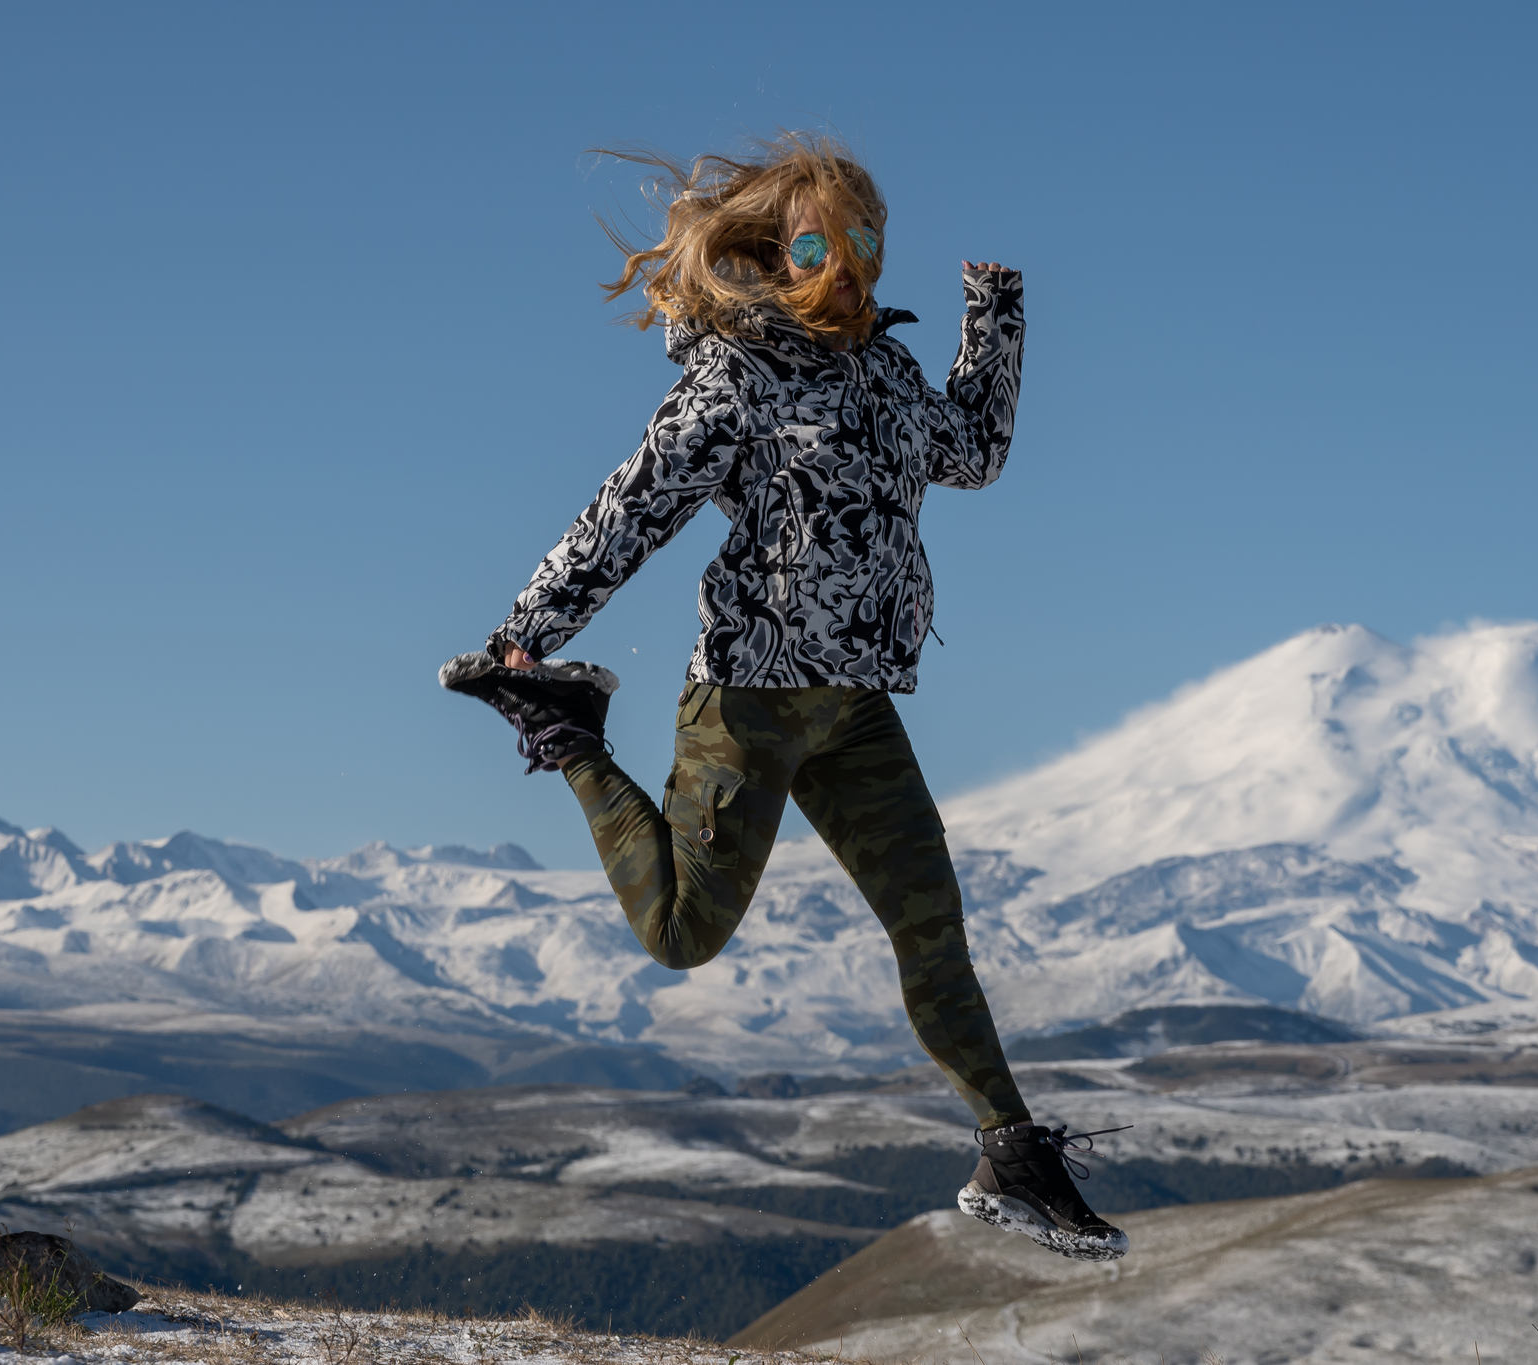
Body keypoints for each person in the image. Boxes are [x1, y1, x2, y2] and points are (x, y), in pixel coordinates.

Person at [440, 133, 1127, 1262]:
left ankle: (1009, 1151)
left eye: (864, 240)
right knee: (679, 936)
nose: (845, 262)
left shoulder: (886, 375)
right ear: (776, 248)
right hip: (745, 702)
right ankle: (566, 731)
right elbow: (632, 511)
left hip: (855, 705)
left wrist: (994, 311)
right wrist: (523, 637)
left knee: (931, 930)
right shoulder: (735, 376)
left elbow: (977, 454)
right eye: (817, 241)